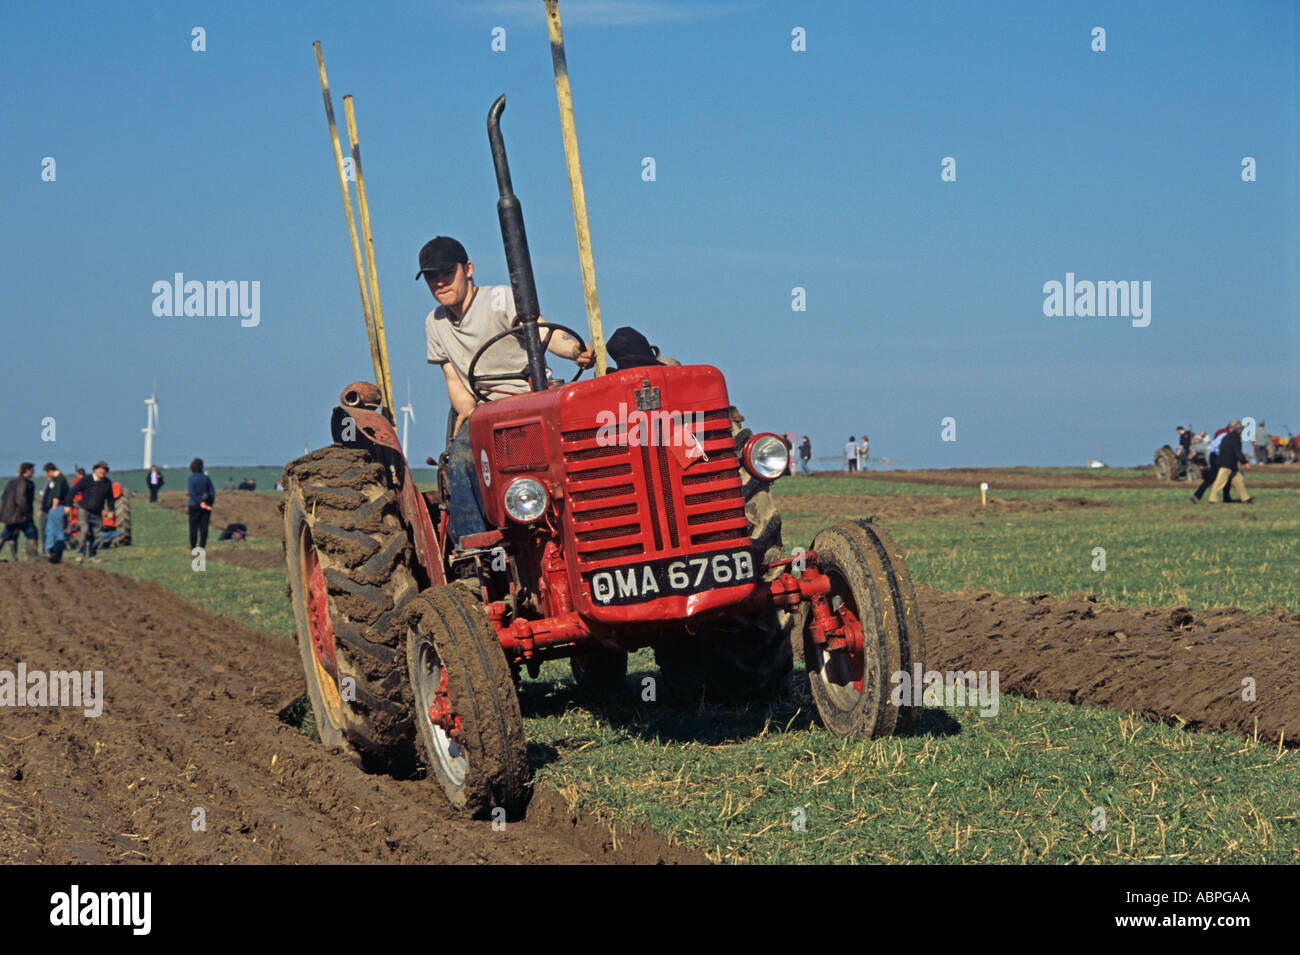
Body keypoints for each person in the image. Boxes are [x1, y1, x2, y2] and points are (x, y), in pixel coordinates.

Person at [419, 235, 593, 546]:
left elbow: (542, 333)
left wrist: (574, 351)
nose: (440, 283)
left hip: (530, 399)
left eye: (447, 273)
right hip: (487, 410)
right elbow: (453, 377)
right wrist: (467, 413)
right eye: (432, 277)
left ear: (468, 269)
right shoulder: (435, 323)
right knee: (460, 456)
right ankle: (476, 548)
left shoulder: (499, 299)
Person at [69, 461, 115, 562]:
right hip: (84, 510)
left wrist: (111, 510)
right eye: (101, 469)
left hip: (97, 512)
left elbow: (110, 498)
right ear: (95, 469)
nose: (103, 471)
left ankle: (92, 556)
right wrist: (68, 505)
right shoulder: (86, 479)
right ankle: (80, 554)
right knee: (84, 531)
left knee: (97, 535)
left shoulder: (107, 483)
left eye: (105, 470)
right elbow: (73, 490)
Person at [1205, 420, 1254, 504]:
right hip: (1227, 464)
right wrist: (1245, 462)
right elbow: (1238, 452)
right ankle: (1212, 499)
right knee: (1220, 481)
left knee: (1238, 481)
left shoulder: (1228, 437)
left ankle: (1245, 498)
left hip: (1230, 464)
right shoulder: (1235, 439)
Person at [0, 463, 38, 561]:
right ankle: (32, 557)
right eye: (32, 469)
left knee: (5, 535)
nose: (34, 471)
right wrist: (27, 513)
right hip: (20, 516)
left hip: (12, 516)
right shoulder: (24, 483)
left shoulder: (11, 482)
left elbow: (4, 498)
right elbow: (21, 500)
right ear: (27, 471)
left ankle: (31, 557)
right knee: (32, 533)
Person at [1191, 424, 1233, 502]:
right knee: (1215, 476)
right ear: (1231, 429)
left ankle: (1226, 497)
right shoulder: (1226, 436)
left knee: (1222, 476)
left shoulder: (1222, 433)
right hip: (1217, 456)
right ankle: (1197, 495)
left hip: (1214, 455)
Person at [39, 462, 70, 559]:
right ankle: (50, 552)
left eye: (46, 473)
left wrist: (53, 509)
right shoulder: (57, 480)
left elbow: (56, 496)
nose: (46, 476)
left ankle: (56, 553)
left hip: (57, 508)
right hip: (56, 508)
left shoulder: (59, 480)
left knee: (56, 531)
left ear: (50, 471)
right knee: (51, 531)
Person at [188, 458, 216, 549]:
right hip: (206, 505)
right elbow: (212, 492)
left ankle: (193, 547)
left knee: (193, 528)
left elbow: (192, 493)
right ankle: (202, 546)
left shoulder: (191, 479)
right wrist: (209, 505)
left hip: (193, 505)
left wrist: (199, 503)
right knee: (204, 528)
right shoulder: (206, 478)